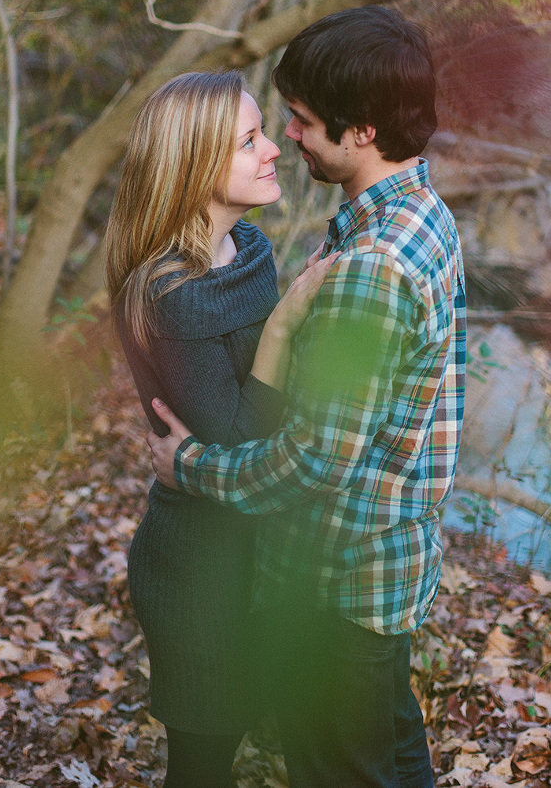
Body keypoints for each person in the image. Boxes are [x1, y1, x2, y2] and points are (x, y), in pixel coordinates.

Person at [148, 6, 467, 788]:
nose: (288, 136)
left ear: (360, 131)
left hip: (336, 590)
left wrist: (188, 466)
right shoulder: (421, 216)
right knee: (394, 758)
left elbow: (313, 464)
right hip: (384, 572)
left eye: (300, 120)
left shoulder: (372, 269)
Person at [104, 70, 338, 788]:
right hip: (201, 564)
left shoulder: (248, 251)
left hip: (257, 549)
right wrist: (288, 325)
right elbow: (236, 439)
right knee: (204, 767)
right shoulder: (173, 292)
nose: (274, 148)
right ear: (196, 163)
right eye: (248, 140)